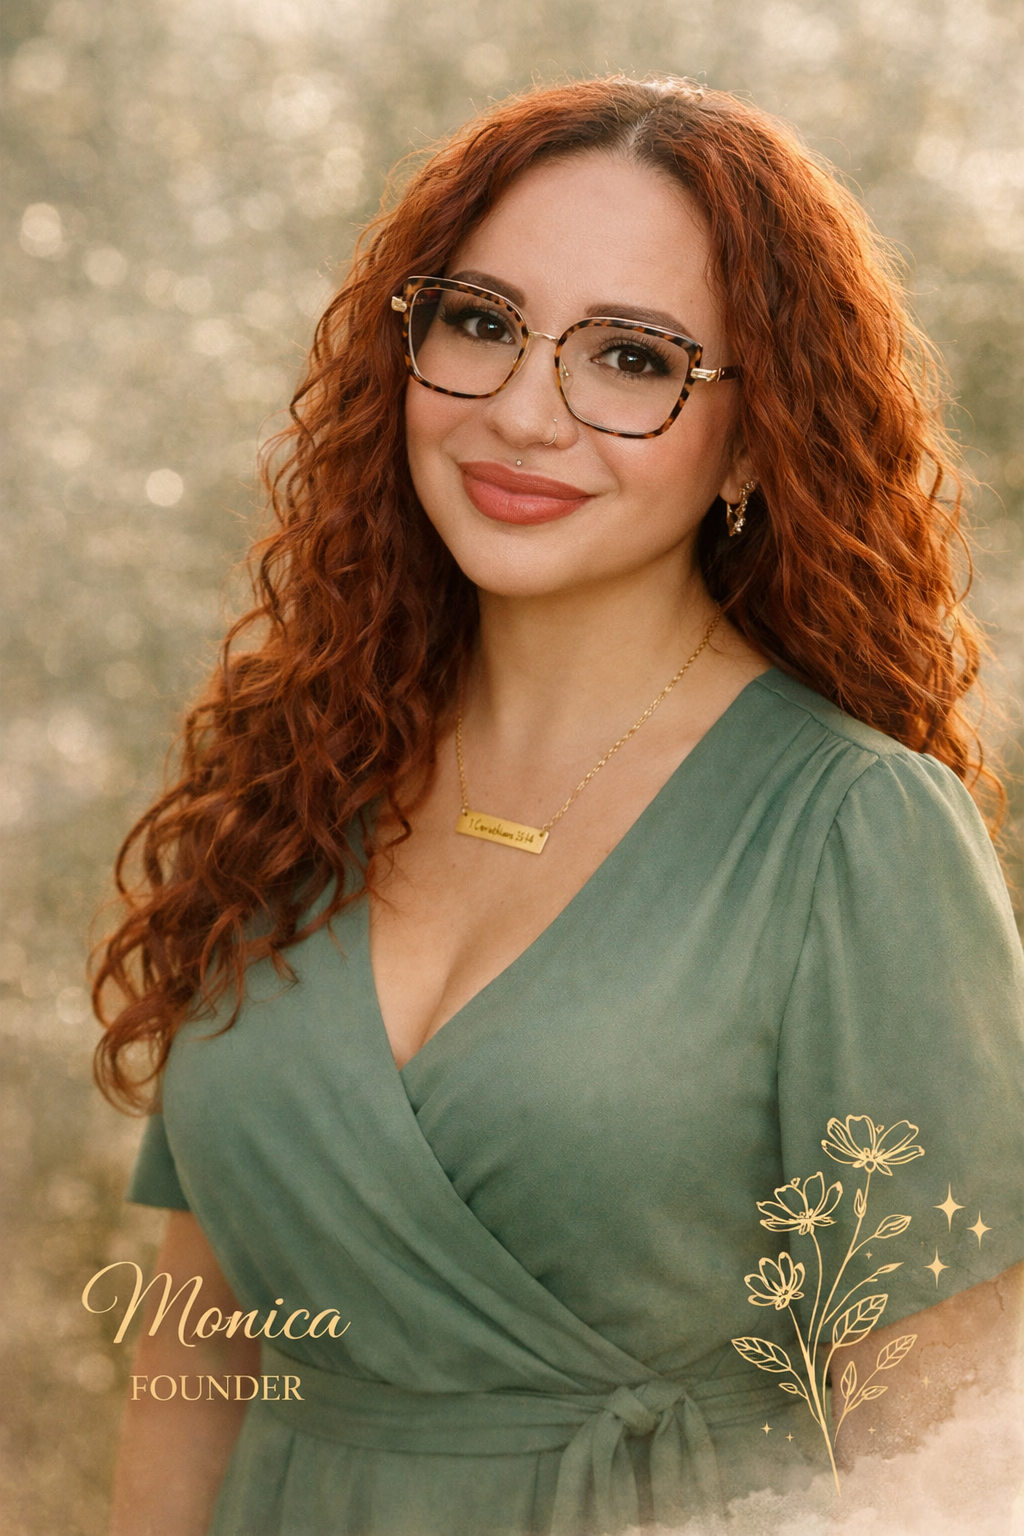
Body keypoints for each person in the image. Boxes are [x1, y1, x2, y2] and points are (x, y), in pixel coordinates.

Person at [92, 75, 1024, 1536]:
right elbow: (199, 1361)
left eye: (634, 358)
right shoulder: (288, 787)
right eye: (479, 323)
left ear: (763, 434)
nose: (525, 412)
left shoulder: (857, 833)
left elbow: (954, 1464)